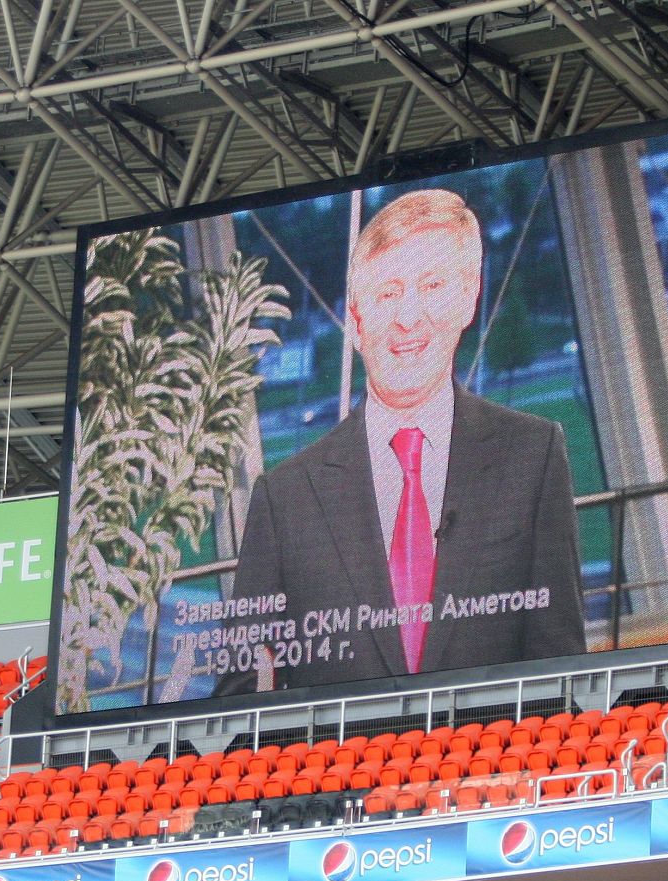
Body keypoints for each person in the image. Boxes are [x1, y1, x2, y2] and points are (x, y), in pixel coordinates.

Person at [217, 188, 586, 695]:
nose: (408, 317)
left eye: (431, 286)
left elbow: (559, 669)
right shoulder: (285, 499)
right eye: (388, 293)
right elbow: (238, 699)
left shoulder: (533, 456)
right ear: (355, 319)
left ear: (468, 300)